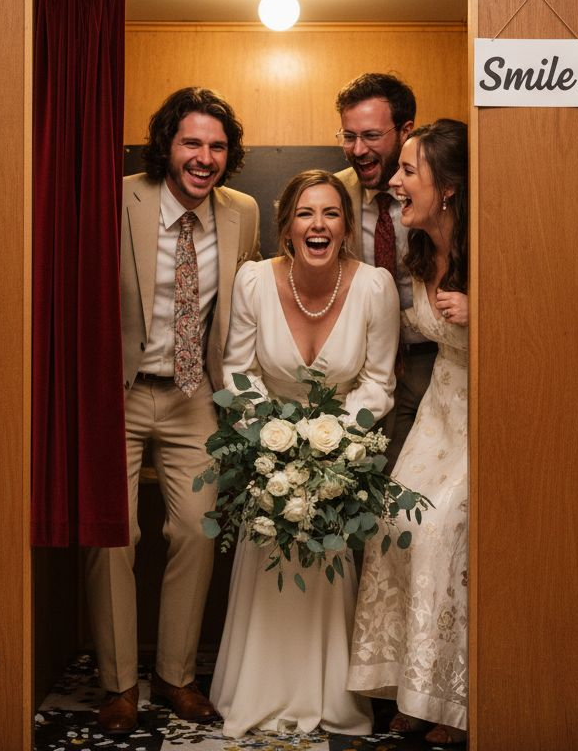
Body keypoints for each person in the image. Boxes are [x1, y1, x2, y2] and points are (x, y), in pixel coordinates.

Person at [87, 87, 260, 735]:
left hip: (193, 395)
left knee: (196, 529)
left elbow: (240, 311)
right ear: (167, 145)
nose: (204, 157)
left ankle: (176, 675)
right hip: (121, 392)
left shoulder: (242, 213)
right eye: (192, 142)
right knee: (114, 536)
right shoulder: (119, 196)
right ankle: (119, 686)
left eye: (217, 146)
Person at [210, 170, 397, 738]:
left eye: (332, 214)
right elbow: (238, 371)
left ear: (345, 228)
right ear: (287, 226)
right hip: (269, 453)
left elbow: (379, 381)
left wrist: (332, 445)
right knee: (270, 563)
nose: (319, 224)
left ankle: (328, 692)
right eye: (306, 214)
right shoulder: (253, 282)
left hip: (338, 458)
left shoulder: (374, 286)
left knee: (326, 570)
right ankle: (259, 689)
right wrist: (276, 439)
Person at [348, 119, 471, 746]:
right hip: (439, 413)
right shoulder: (422, 254)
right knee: (396, 524)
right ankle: (410, 684)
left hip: (488, 419)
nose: (395, 181)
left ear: (447, 187)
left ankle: (454, 699)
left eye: (407, 171)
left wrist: (488, 312)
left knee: (442, 528)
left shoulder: (492, 250)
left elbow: (550, 326)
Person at [333, 73, 425, 469]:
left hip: (428, 361)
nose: (358, 149)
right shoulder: (333, 195)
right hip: (358, 369)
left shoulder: (442, 192)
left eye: (370, 135)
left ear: (406, 131)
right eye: (348, 136)